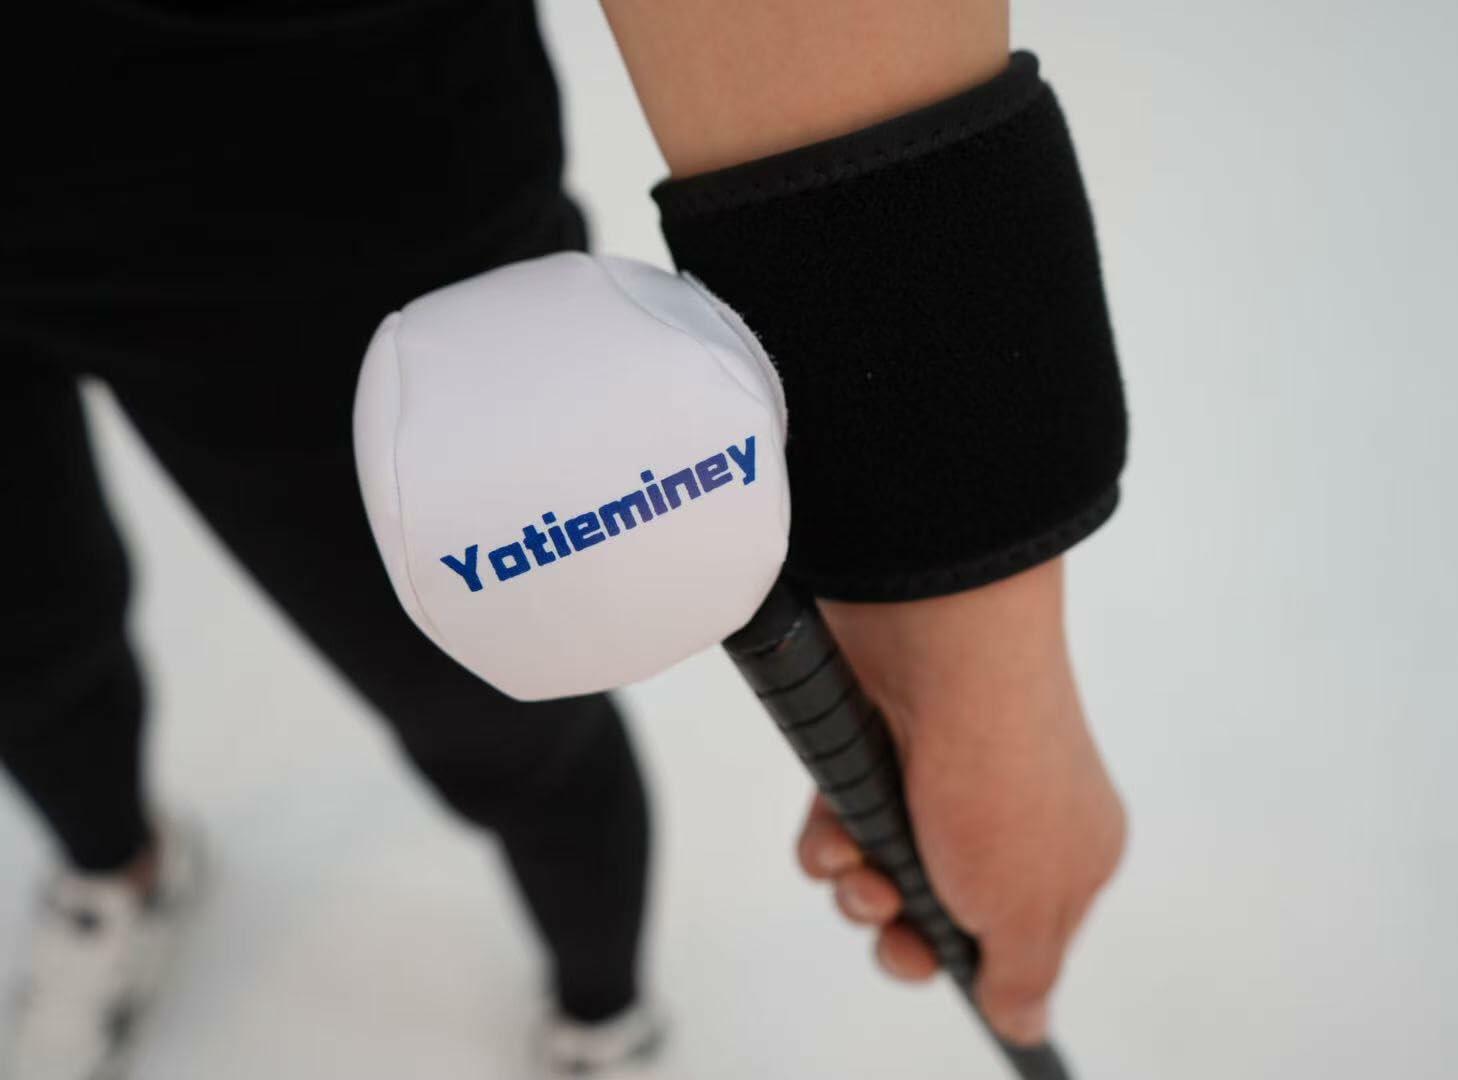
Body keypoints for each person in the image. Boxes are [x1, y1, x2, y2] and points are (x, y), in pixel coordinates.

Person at [1, 2, 1126, 1078]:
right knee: (22, 648)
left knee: (503, 723)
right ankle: (115, 871)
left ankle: (604, 1007)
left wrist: (980, 677)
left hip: (314, 183)